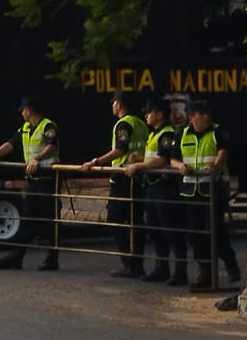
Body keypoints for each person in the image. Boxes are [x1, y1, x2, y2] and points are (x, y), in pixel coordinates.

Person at [0, 95, 60, 270]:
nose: (22, 113)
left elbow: (52, 146)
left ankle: (52, 259)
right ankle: (17, 256)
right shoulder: (25, 128)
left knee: (49, 220)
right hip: (33, 180)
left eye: (23, 110)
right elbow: (9, 145)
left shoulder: (48, 126)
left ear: (29, 110)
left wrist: (37, 158)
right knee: (28, 217)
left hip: (47, 180)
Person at [80, 92, 149, 278]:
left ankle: (129, 263)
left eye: (113, 103)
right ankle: (137, 264)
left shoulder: (123, 124)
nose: (112, 107)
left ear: (119, 104)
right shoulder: (141, 123)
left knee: (115, 219)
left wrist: (95, 162)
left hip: (123, 177)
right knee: (136, 222)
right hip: (139, 177)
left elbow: (120, 149)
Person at [123, 96, 189, 285]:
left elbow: (162, 160)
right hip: (152, 186)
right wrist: (138, 158)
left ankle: (180, 271)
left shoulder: (167, 134)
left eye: (149, 112)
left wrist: (139, 166)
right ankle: (161, 268)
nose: (146, 116)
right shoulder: (154, 134)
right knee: (155, 229)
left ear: (159, 114)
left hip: (164, 187)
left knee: (171, 229)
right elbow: (152, 157)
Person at [176, 98, 241, 289]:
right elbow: (173, 158)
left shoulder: (217, 131)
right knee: (196, 235)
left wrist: (215, 166)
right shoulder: (182, 134)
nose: (206, 117)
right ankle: (205, 273)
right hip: (191, 192)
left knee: (217, 231)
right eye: (201, 114)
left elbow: (223, 152)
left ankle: (230, 263)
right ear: (191, 117)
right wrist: (180, 166)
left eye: (207, 113)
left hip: (213, 190)